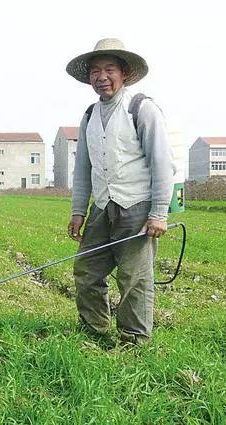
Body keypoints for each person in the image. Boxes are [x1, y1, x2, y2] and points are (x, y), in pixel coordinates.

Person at [65, 38, 174, 345]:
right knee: (87, 270)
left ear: (124, 72)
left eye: (109, 69)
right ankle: (94, 330)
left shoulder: (141, 109)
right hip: (102, 207)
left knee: (134, 278)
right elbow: (83, 170)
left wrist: (158, 214)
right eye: (95, 71)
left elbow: (162, 164)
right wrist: (78, 210)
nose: (101, 76)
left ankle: (134, 340)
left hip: (136, 206)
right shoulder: (88, 116)